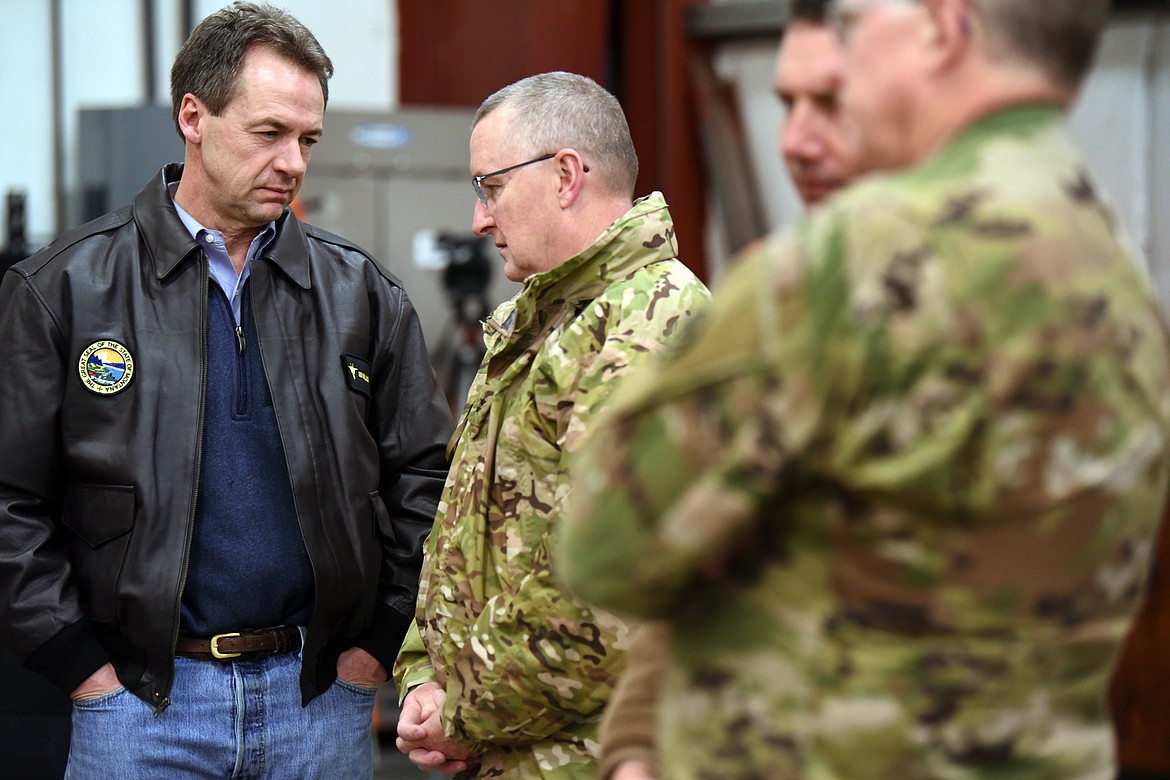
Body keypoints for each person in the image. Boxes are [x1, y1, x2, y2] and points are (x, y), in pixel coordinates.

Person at [560, 0, 1170, 777]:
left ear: (945, 27)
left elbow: (603, 546)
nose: (843, 63)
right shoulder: (1117, 275)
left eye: (855, 22)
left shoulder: (855, 261)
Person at [0, 3, 452, 777]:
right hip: (140, 710)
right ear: (194, 117)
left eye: (308, 139)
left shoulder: (362, 294)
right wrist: (81, 668)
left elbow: (430, 480)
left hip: (318, 703)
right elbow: (10, 500)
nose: (294, 162)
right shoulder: (65, 289)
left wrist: (376, 650)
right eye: (269, 133)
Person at [391, 71, 710, 778]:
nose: (478, 218)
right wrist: (422, 676)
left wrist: (462, 708)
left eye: (491, 187)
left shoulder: (650, 325)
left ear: (566, 175)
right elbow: (464, 530)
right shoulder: (542, 322)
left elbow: (602, 593)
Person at [598, 3, 856, 777]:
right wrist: (635, 751)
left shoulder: (1016, 307)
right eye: (786, 104)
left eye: (832, 103)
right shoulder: (781, 308)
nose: (794, 140)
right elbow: (679, 578)